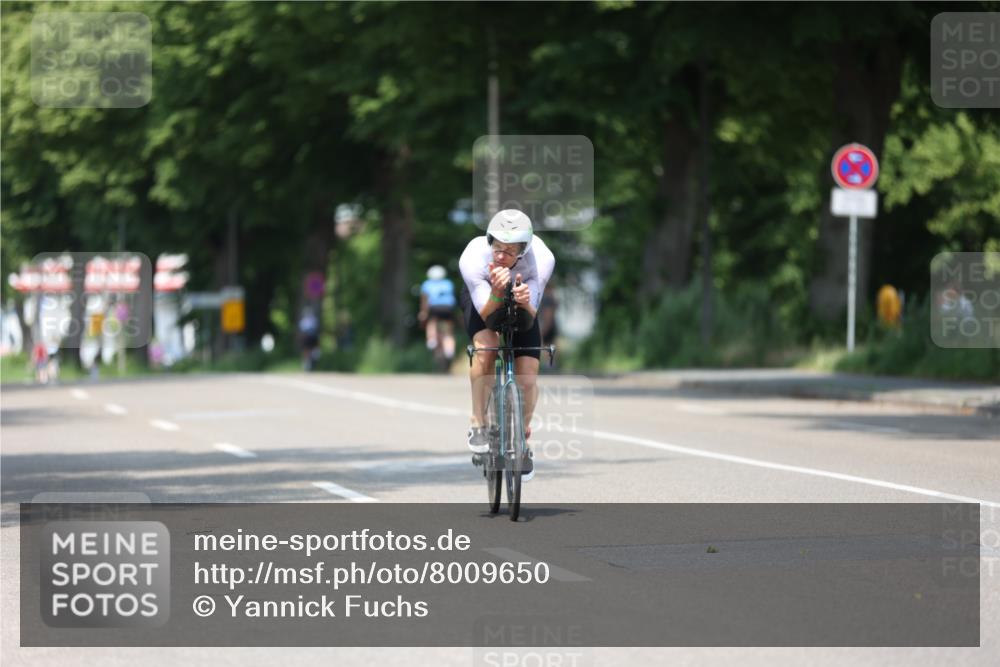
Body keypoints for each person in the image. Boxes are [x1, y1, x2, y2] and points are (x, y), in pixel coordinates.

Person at [459, 209, 555, 482]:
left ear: (523, 251)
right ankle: (478, 422)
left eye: (510, 251)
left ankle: (522, 439)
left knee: (527, 376)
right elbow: (487, 314)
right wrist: (499, 292)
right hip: (485, 300)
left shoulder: (542, 260)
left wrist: (525, 301)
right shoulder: (473, 256)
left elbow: (529, 318)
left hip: (524, 301)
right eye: (497, 247)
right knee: (486, 349)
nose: (500, 256)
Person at [418, 265, 457, 365]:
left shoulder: (427, 284)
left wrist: (424, 312)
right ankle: (449, 351)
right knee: (448, 332)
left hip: (434, 308)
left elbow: (425, 301)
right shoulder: (448, 283)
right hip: (448, 308)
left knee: (432, 322)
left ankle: (432, 339)